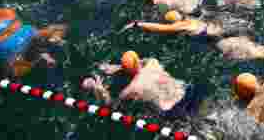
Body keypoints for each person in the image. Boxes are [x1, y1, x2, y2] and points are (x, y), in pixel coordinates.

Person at [128, 10, 264, 69]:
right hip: (230, 30)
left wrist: (138, 24)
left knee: (262, 53)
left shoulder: (183, 26)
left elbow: (162, 28)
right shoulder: (192, 18)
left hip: (225, 43)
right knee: (263, 49)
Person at [82, 51, 211, 121]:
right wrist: (121, 67)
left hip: (173, 110)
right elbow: (141, 62)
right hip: (188, 92)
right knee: (207, 115)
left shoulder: (132, 88)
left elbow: (111, 104)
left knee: (196, 125)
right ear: (138, 60)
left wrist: (97, 87)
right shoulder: (152, 62)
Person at [0, 3, 66, 77]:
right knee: (59, 29)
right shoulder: (4, 12)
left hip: (12, 46)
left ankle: (37, 55)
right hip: (27, 31)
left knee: (12, 74)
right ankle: (49, 42)